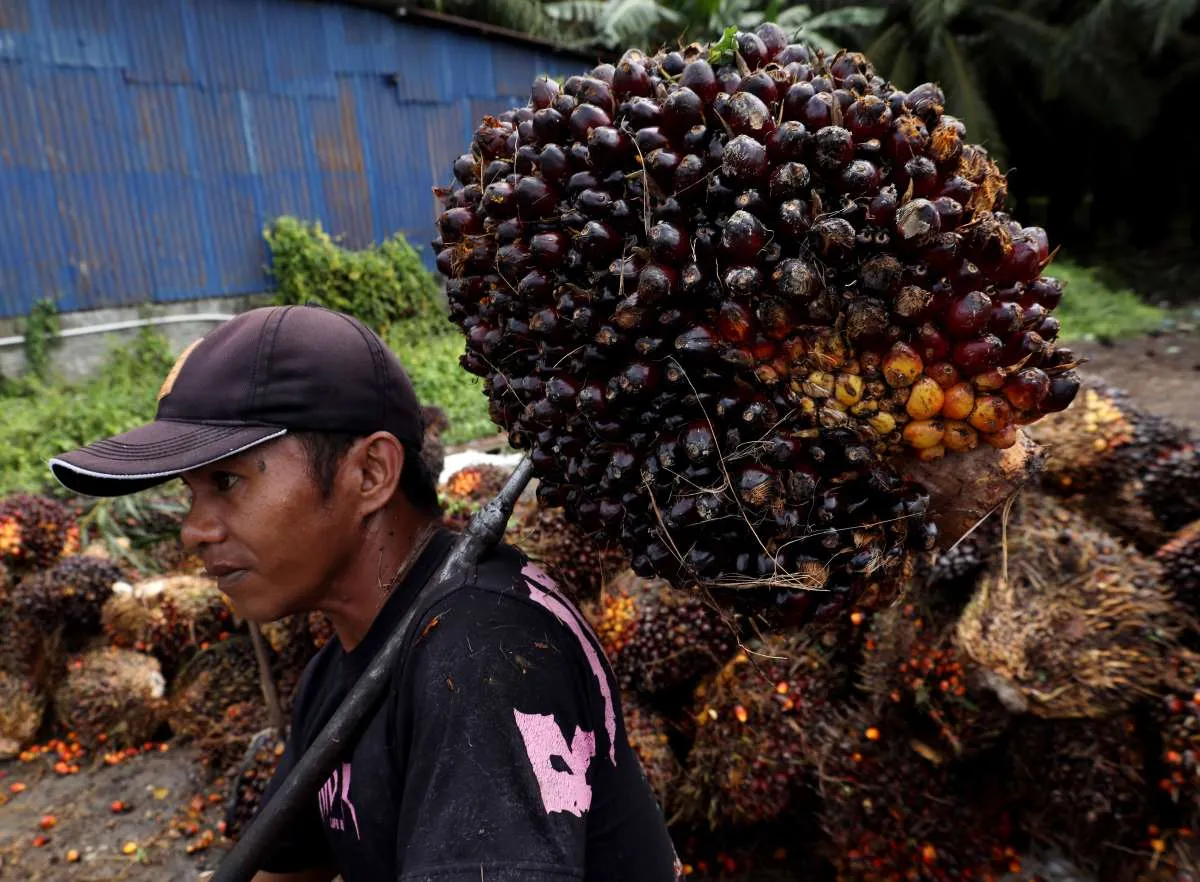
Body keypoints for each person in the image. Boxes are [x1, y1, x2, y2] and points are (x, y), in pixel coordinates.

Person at [50, 305, 680, 882]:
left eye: (227, 481)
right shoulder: (336, 675)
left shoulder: (487, 651)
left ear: (371, 473)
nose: (195, 530)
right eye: (191, 494)